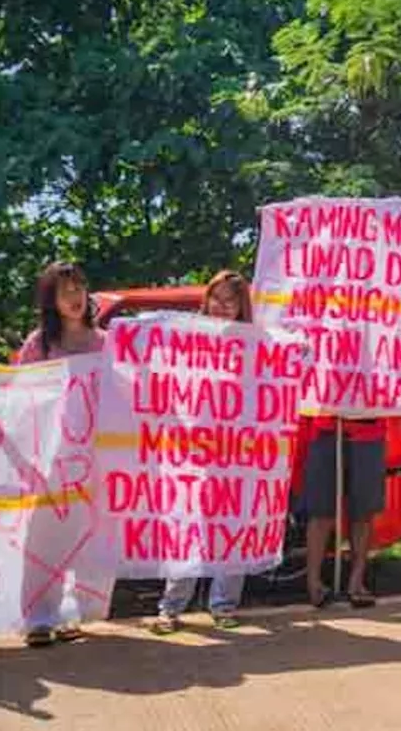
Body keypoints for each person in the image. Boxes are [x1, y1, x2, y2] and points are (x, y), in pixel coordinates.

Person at [150, 272, 253, 634]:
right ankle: (171, 607)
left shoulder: (256, 344)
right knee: (186, 527)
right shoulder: (188, 337)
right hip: (191, 452)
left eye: (232, 300)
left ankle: (224, 605)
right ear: (206, 300)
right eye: (217, 298)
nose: (223, 307)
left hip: (239, 454)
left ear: (243, 307)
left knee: (232, 527)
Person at [14, 261, 107, 647]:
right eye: (64, 290)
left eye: (79, 288)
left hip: (97, 458)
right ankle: (38, 618)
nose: (74, 297)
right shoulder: (39, 344)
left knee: (90, 535)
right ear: (51, 299)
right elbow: (20, 398)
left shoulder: (107, 342)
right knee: (43, 537)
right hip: (49, 457)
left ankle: (74, 613)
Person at [302, 412, 386, 608]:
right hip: (326, 429)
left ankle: (356, 581)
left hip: (369, 431)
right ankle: (313, 583)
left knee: (363, 511)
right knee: (321, 510)